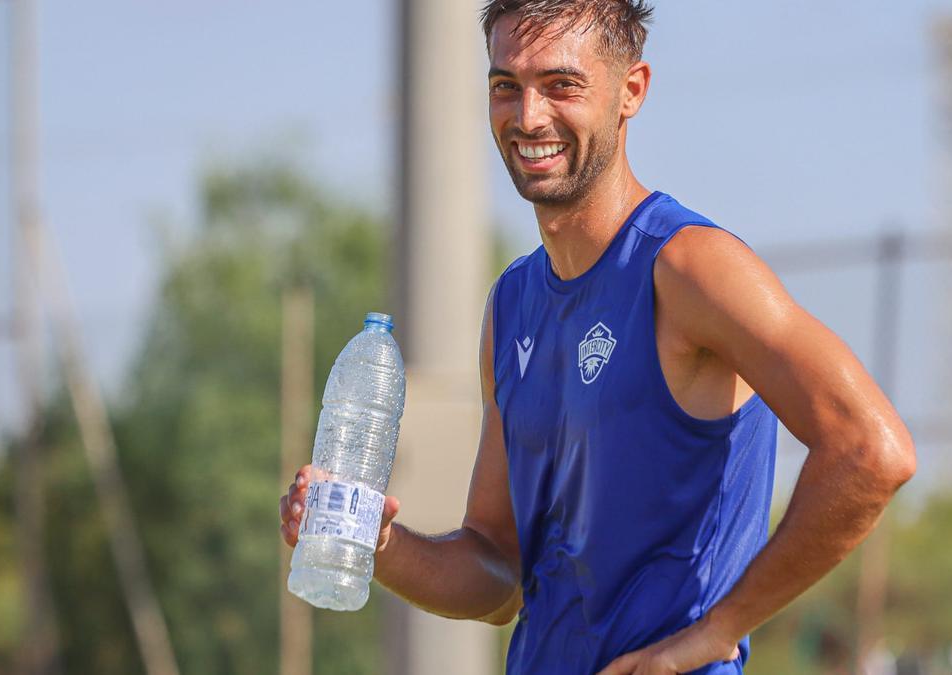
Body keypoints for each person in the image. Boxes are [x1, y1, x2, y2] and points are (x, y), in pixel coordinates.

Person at [279, 1, 916, 673]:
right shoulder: (513, 302)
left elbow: (871, 449)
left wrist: (715, 631)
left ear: (630, 91)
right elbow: (497, 572)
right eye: (506, 86)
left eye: (561, 85)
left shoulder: (689, 266)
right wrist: (380, 542)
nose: (528, 117)